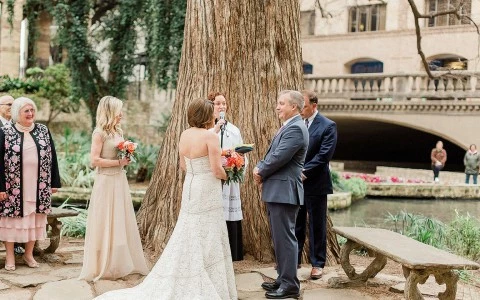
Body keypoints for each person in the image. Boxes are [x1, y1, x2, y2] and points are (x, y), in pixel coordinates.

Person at [95, 98, 237, 299]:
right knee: (209, 229)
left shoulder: (185, 134)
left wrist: (199, 172)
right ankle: (205, 274)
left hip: (191, 185)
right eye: (212, 111)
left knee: (189, 228)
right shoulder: (210, 137)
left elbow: (184, 166)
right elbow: (216, 170)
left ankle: (188, 268)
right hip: (207, 188)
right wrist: (231, 171)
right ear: (206, 116)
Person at [79, 96, 148, 281]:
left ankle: (118, 262)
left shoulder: (119, 131)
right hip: (106, 182)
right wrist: (118, 161)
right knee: (105, 220)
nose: (122, 114)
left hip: (119, 180)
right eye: (119, 111)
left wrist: (127, 155)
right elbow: (94, 160)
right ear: (110, 112)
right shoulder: (99, 133)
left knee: (119, 220)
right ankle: (102, 264)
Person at [253, 90, 309, 299]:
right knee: (280, 238)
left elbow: (278, 158)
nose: (277, 107)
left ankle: (290, 285)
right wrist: (261, 167)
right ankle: (283, 278)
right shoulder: (291, 126)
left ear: (293, 107)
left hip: (284, 192)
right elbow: (274, 155)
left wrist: (260, 170)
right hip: (279, 191)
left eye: (281, 103)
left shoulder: (295, 129)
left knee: (285, 239)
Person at [0, 97, 61, 271]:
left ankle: (28, 254)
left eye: (32, 110)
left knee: (35, 219)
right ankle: (10, 256)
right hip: (13, 187)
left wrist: (54, 182)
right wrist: (0, 187)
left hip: (38, 185)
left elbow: (53, 157)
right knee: (11, 222)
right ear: (16, 113)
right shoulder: (5, 131)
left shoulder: (43, 130)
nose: (30, 113)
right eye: (26, 111)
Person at [295, 90, 337, 280]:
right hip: (296, 183)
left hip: (316, 183)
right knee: (296, 223)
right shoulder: (297, 124)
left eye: (303, 105)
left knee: (317, 225)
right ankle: (293, 260)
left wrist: (304, 172)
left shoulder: (328, 126)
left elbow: (324, 155)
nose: (300, 109)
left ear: (314, 105)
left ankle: (317, 264)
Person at [208, 91, 246, 261]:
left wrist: (237, 161)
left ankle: (232, 252)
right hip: (213, 177)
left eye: (224, 103)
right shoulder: (208, 130)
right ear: (211, 106)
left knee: (229, 213)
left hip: (229, 178)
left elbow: (240, 151)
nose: (222, 106)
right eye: (218, 103)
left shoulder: (233, 130)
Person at [0, 94, 25, 255]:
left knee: (13, 212)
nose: (11, 106)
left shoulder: (18, 126)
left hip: (15, 179)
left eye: (13, 104)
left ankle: (15, 242)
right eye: (8, 104)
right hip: (1, 176)